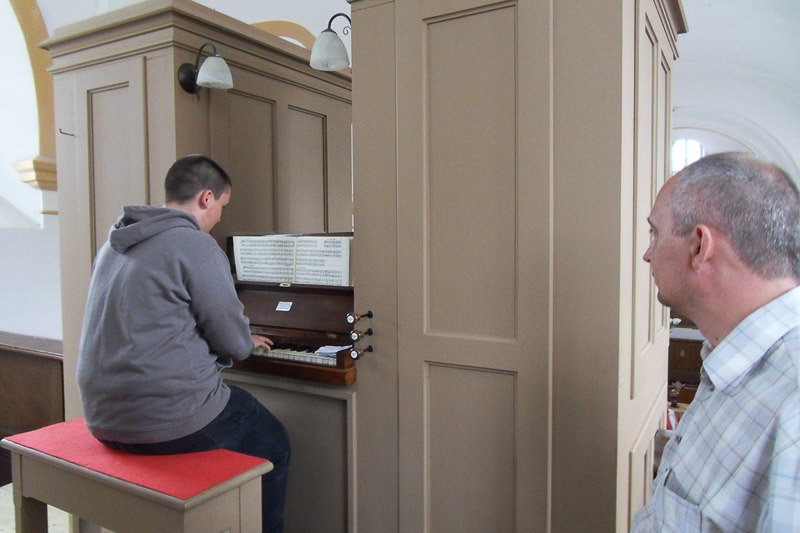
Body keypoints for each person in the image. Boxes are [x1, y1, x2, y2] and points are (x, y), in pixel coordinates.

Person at [76, 154, 289, 533]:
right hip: (162, 420)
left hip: (101, 415)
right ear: (206, 198)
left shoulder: (113, 244)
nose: (219, 217)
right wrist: (245, 338)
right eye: (222, 206)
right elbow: (234, 344)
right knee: (274, 442)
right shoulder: (196, 246)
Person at [632, 152, 800, 531]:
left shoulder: (793, 414)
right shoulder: (729, 357)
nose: (647, 254)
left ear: (699, 246)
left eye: (655, 233)